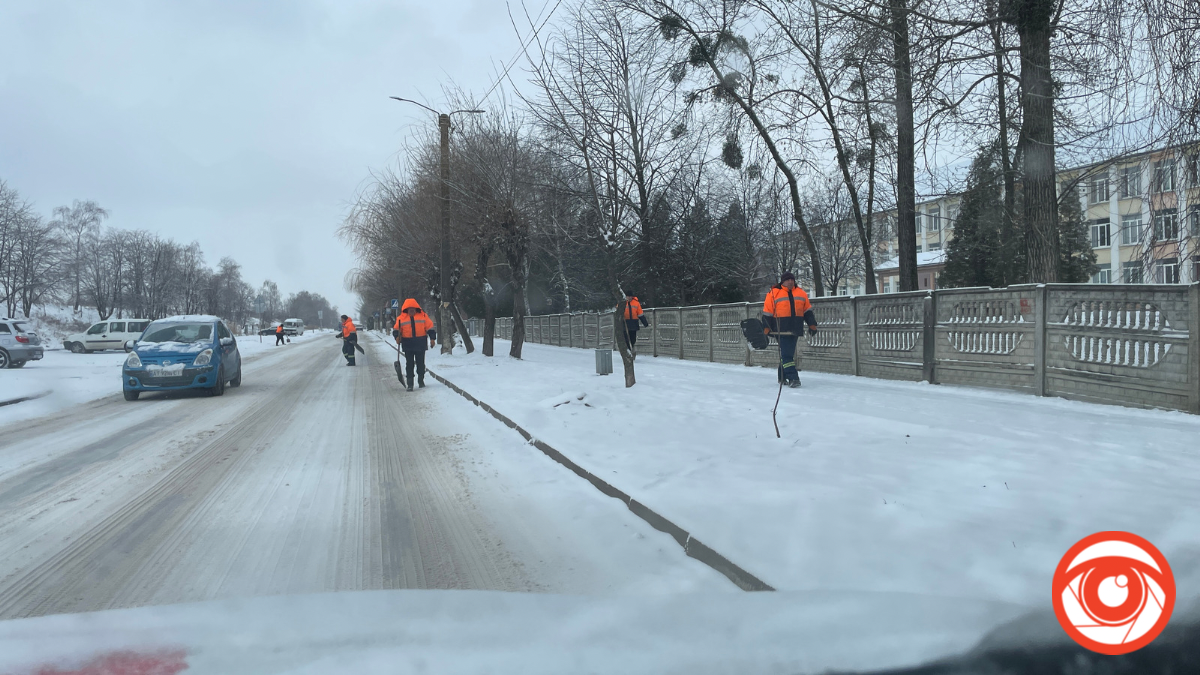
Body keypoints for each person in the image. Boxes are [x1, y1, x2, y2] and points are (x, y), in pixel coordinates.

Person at [762, 271, 817, 388]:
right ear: (783, 281)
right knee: (787, 355)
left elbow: (807, 311)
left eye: (792, 279)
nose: (790, 281)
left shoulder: (801, 293)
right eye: (787, 280)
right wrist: (766, 327)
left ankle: (781, 377)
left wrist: (812, 324)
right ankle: (793, 378)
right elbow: (767, 312)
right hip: (780, 329)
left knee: (787, 354)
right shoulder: (774, 293)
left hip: (795, 329)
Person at [392, 299, 436, 391]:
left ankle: (421, 381)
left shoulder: (423, 316)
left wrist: (432, 338)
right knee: (409, 364)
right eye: (409, 309)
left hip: (420, 343)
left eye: (413, 308)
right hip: (408, 344)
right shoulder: (401, 318)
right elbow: (396, 329)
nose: (411, 310)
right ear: (406, 309)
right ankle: (410, 383)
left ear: (416, 308)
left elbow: (430, 328)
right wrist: (397, 337)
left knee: (420, 363)